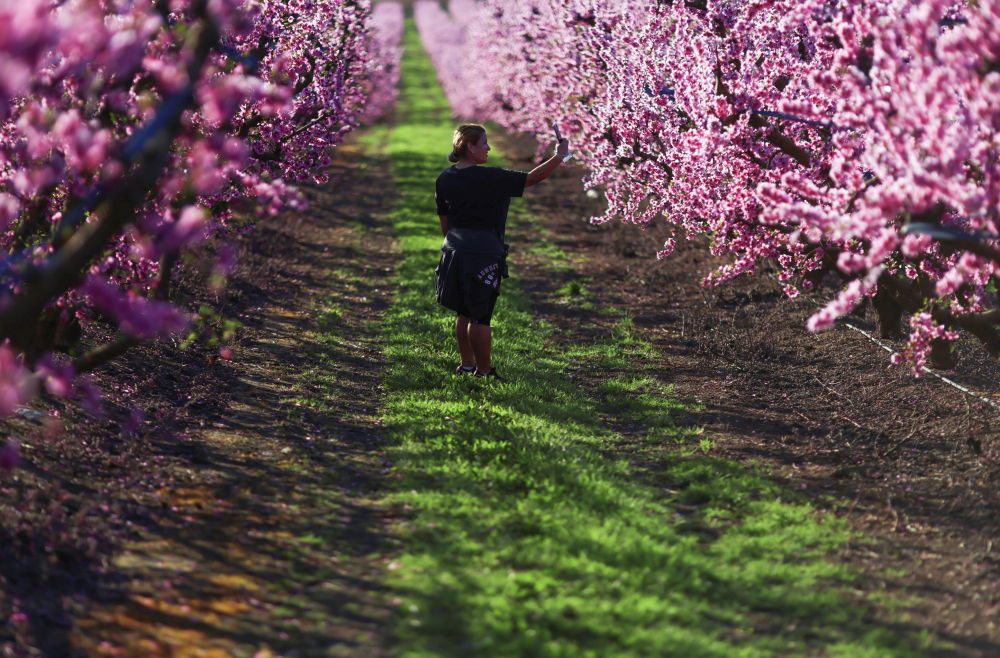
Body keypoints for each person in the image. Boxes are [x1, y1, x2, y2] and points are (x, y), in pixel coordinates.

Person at [434, 123, 570, 379]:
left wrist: (454, 245)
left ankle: (465, 365)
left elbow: (445, 220)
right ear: (469, 146)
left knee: (463, 311)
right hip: (484, 252)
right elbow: (532, 178)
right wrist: (559, 155)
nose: (488, 147)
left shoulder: (445, 178)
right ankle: (483, 372)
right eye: (484, 142)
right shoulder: (491, 177)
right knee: (481, 316)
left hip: (455, 249)